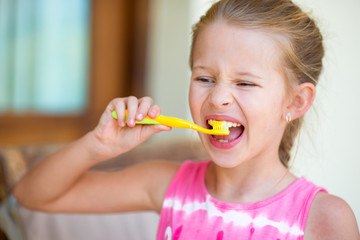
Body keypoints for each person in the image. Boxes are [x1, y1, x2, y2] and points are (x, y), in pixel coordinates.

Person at [13, 0, 359, 239]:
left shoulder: (325, 219)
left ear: (296, 102)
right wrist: (98, 145)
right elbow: (31, 195)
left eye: (245, 83)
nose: (217, 97)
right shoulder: (167, 186)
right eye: (205, 78)